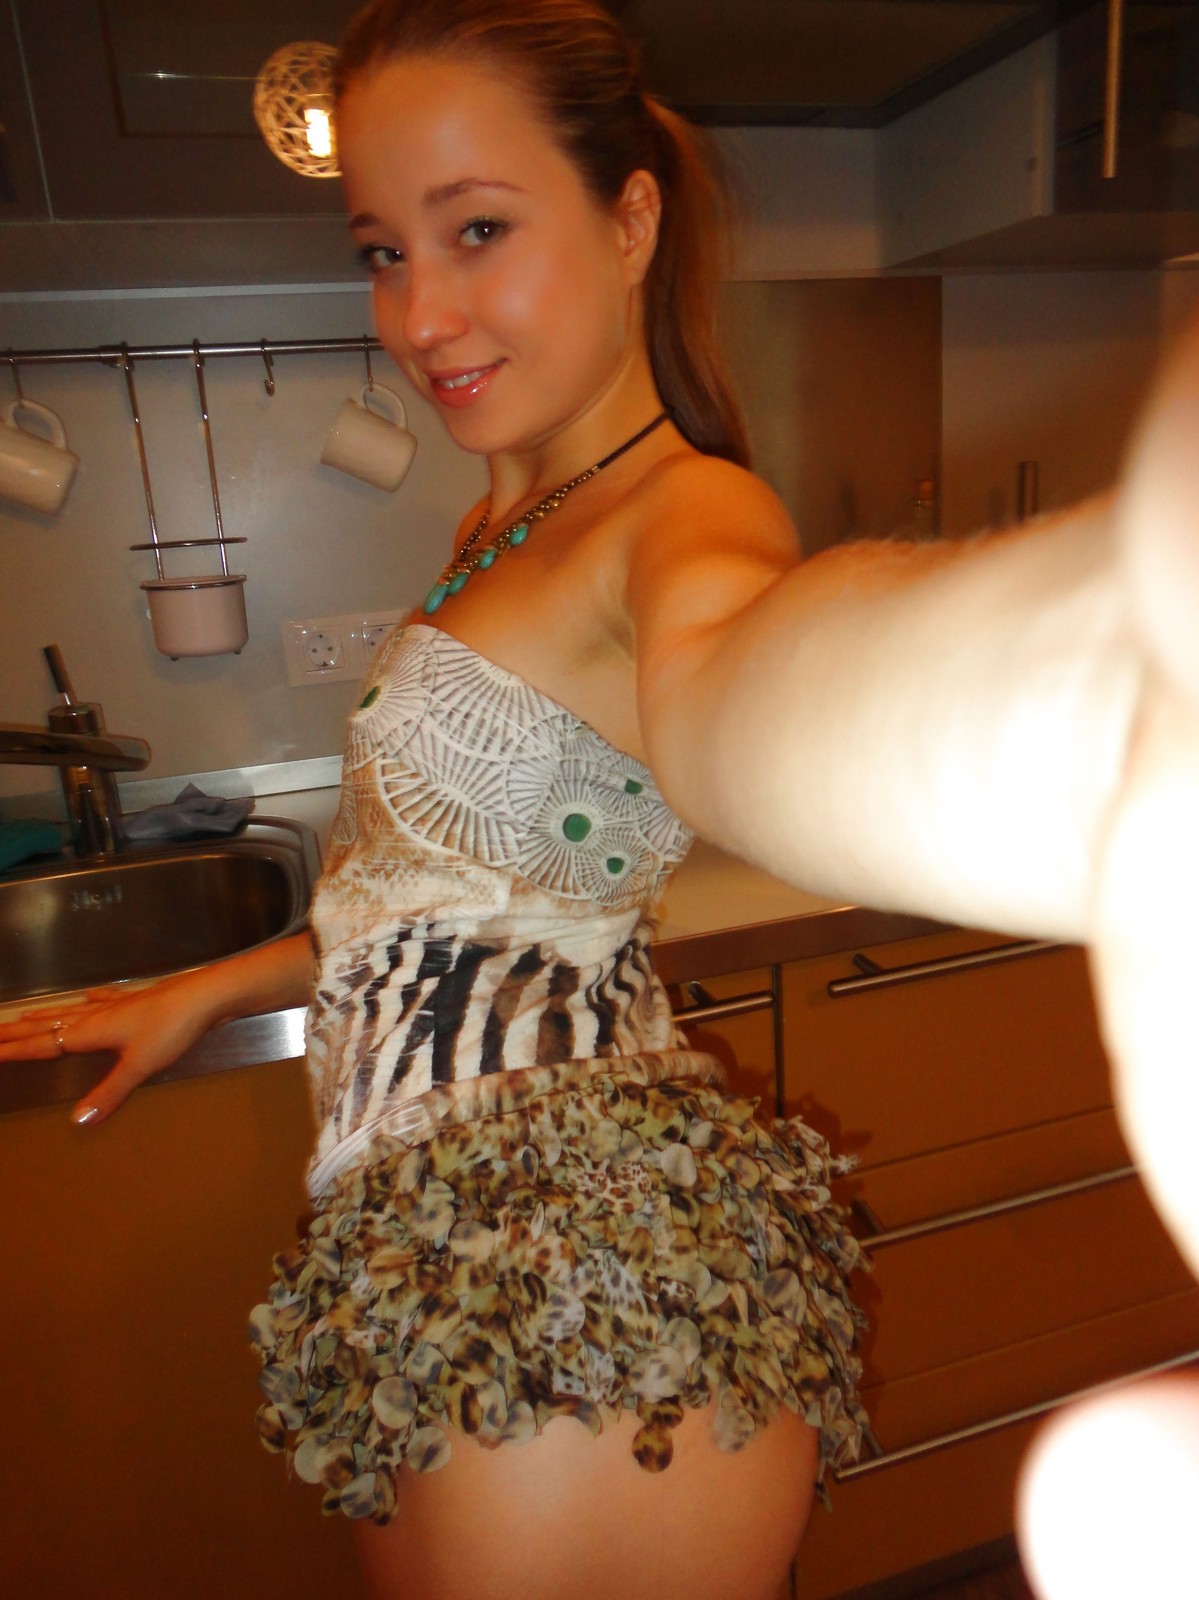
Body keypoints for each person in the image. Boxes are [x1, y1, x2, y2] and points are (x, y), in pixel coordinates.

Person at [0, 2, 1196, 1597]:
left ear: (631, 219)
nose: (421, 312)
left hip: (574, 1285)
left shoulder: (682, 512)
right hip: (449, 1254)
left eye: (478, 229)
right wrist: (209, 988)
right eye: (383, 250)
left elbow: (746, 691)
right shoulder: (501, 523)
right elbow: (434, 900)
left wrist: (1110, 705)